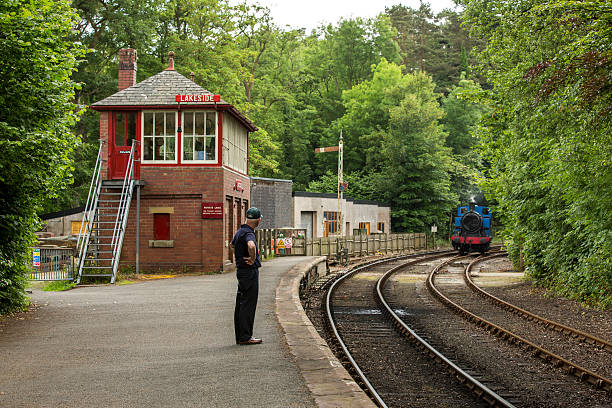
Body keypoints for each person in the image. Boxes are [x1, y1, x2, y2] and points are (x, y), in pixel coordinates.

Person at [232, 207, 263, 345]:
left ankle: (241, 336)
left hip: (242, 271)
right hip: (249, 272)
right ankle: (246, 337)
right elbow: (251, 246)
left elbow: (233, 245)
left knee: (241, 303)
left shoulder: (239, 232)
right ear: (258, 220)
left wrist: (239, 257)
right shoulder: (249, 233)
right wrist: (252, 258)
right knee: (248, 305)